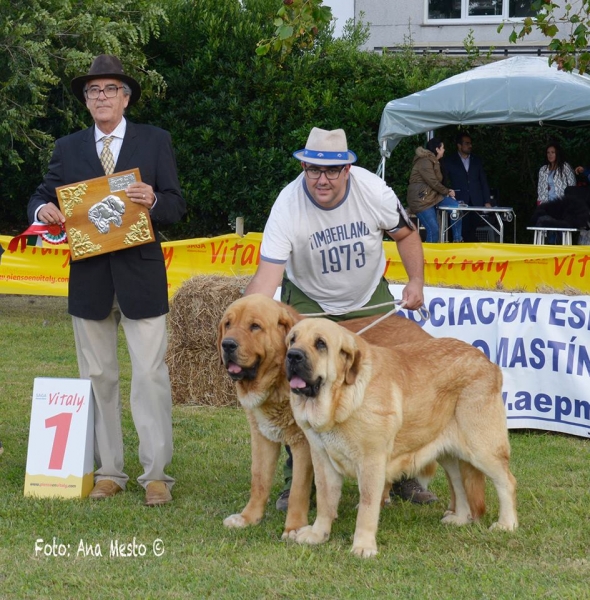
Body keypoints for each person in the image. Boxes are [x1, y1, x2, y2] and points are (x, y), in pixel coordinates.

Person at [244, 127, 437, 508]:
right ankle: (299, 482)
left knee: (396, 373)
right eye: (314, 170)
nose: (322, 179)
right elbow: (268, 276)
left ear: (348, 169)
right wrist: (243, 324)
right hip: (310, 301)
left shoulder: (374, 190)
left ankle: (404, 475)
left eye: (332, 171)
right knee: (295, 378)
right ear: (303, 166)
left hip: (366, 296)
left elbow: (406, 234)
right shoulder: (287, 205)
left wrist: (416, 281)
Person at [27, 55, 186, 505]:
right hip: (91, 281)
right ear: (85, 101)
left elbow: (176, 205)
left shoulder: (155, 141)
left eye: (110, 89)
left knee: (151, 376)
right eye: (93, 91)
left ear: (126, 97)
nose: (101, 97)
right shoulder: (68, 147)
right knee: (98, 376)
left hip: (142, 278)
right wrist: (44, 211)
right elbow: (42, 194)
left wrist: (154, 198)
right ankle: (109, 471)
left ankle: (156, 475)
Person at [407, 138, 462, 242]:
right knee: (434, 229)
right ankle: (429, 257)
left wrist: (446, 190)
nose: (444, 150)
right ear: (437, 149)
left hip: (433, 196)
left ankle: (457, 240)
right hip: (422, 200)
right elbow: (432, 181)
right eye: (443, 148)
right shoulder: (425, 161)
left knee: (456, 208)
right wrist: (447, 191)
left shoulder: (434, 160)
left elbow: (436, 183)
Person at [442, 132, 492, 243]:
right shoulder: (450, 161)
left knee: (473, 228)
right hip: (459, 200)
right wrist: (448, 194)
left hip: (476, 200)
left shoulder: (477, 160)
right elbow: (444, 181)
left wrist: (487, 201)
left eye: (471, 143)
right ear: (459, 145)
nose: (470, 146)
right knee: (462, 227)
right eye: (467, 143)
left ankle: (471, 252)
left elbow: (483, 181)